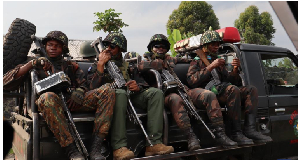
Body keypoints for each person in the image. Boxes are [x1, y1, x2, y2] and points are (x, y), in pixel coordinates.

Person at [3, 31, 115, 160]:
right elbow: (5, 82)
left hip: (70, 101)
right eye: (50, 44)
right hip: (48, 104)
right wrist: (32, 64)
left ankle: (96, 148)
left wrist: (79, 91)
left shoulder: (70, 66)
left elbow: (88, 85)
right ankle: (71, 151)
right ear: (45, 46)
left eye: (57, 45)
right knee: (48, 97)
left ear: (63, 49)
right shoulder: (35, 63)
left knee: (108, 90)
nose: (53, 47)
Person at [138, 34, 237, 150]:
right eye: (157, 46)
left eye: (163, 47)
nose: (160, 49)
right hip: (163, 94)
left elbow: (188, 60)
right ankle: (191, 137)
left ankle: (221, 134)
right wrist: (159, 64)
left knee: (208, 95)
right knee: (176, 99)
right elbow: (141, 66)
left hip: (182, 89)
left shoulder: (170, 59)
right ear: (151, 48)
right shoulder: (146, 60)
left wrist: (203, 59)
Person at [86, 32, 174, 160]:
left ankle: (154, 143)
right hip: (111, 99)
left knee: (156, 93)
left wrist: (137, 86)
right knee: (120, 93)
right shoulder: (98, 64)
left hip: (131, 95)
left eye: (112, 46)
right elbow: (91, 88)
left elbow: (141, 82)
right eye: (106, 46)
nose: (108, 49)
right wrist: (100, 65)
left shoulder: (127, 65)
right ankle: (119, 147)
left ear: (121, 49)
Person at [187, 30, 273, 145]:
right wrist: (211, 67)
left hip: (221, 90)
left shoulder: (218, 61)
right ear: (205, 46)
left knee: (250, 90)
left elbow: (230, 81)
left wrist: (235, 69)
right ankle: (235, 132)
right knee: (232, 90)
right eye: (213, 44)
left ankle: (250, 129)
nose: (216, 47)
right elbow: (192, 81)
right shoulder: (196, 62)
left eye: (218, 44)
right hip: (206, 93)